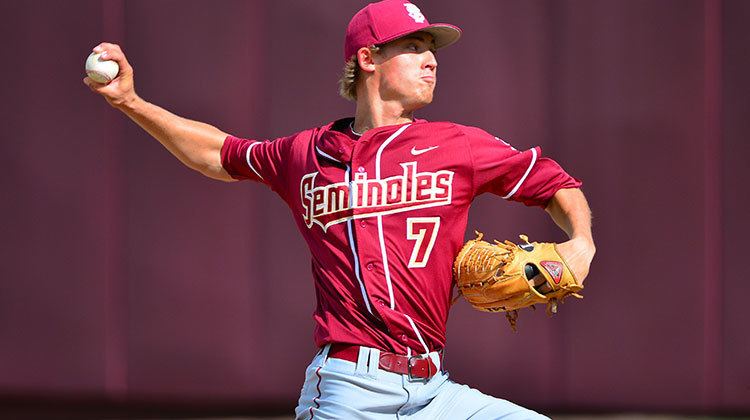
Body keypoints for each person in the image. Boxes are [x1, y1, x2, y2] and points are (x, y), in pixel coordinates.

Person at [84, 1, 595, 418]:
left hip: (436, 391)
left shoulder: (458, 145)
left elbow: (555, 183)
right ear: (368, 59)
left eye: (431, 50)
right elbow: (219, 153)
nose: (431, 60)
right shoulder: (306, 152)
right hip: (351, 389)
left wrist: (581, 242)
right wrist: (131, 102)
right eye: (414, 47)